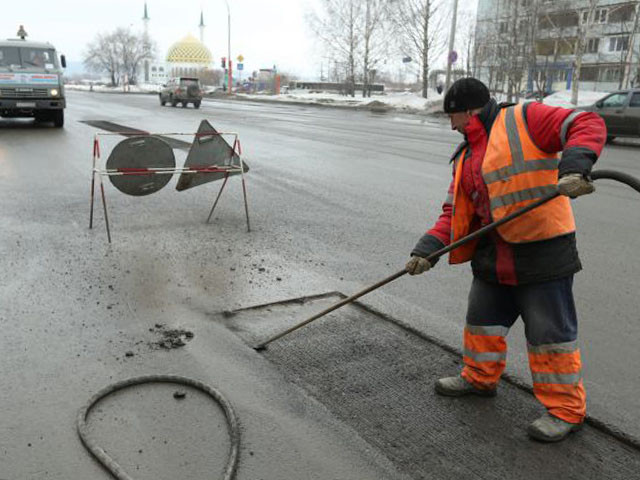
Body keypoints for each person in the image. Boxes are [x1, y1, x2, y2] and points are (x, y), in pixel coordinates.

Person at [406, 77, 606, 442]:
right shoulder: (466, 156)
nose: (452, 125)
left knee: (550, 337)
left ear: (471, 110)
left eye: (454, 117)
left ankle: (565, 410)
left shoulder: (525, 118)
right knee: (482, 323)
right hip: (493, 255)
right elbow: (455, 212)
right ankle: (479, 379)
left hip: (542, 252)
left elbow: (586, 123)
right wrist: (426, 251)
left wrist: (575, 166)